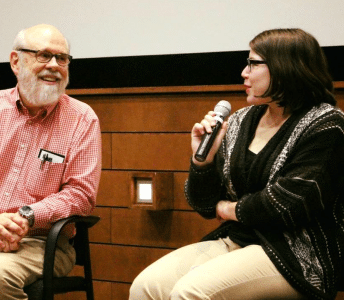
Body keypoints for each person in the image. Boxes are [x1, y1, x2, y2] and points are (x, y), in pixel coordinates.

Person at [129, 28, 344, 300]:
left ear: (285, 67)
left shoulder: (325, 125)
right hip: (238, 240)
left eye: (253, 64)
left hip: (297, 254)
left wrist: (229, 209)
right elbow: (205, 205)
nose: (244, 72)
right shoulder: (241, 120)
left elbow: (288, 205)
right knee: (145, 287)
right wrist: (202, 162)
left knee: (190, 292)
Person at [0, 24, 102, 299]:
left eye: (62, 58)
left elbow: (81, 195)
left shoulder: (82, 119)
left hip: (39, 239)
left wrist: (26, 217)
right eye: (44, 55)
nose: (54, 65)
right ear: (16, 62)